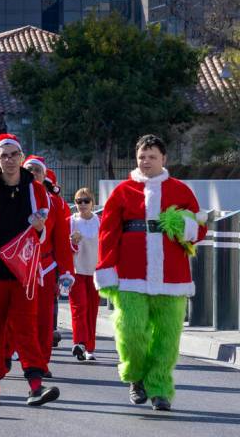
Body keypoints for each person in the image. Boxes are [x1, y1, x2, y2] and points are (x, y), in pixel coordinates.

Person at [95, 134, 207, 411]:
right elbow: (107, 233)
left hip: (172, 277)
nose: (146, 161)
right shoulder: (122, 191)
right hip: (130, 275)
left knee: (167, 337)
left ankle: (160, 389)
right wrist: (105, 268)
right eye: (142, 157)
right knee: (131, 330)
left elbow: (199, 228)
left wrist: (184, 225)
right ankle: (136, 377)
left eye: (152, 156)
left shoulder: (181, 190)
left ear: (164, 159)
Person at [0, 133, 59, 407]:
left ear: (21, 157)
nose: (9, 160)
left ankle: (36, 385)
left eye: (13, 154)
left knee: (25, 327)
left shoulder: (36, 188)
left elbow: (45, 227)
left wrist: (41, 229)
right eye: (3, 155)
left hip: (24, 270)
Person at [12, 156, 74, 379]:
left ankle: (41, 362)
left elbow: (62, 241)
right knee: (17, 315)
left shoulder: (55, 203)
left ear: (44, 175)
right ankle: (13, 354)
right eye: (28, 169)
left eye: (37, 170)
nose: (33, 173)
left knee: (44, 319)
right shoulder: (12, 198)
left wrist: (66, 271)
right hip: (18, 266)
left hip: (46, 267)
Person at [68, 187, 101, 361]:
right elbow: (63, 248)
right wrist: (71, 242)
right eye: (78, 201)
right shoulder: (71, 221)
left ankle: (90, 348)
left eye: (86, 200)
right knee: (79, 308)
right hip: (76, 271)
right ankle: (79, 343)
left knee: (92, 310)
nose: (82, 204)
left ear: (92, 203)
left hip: (95, 272)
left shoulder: (100, 222)